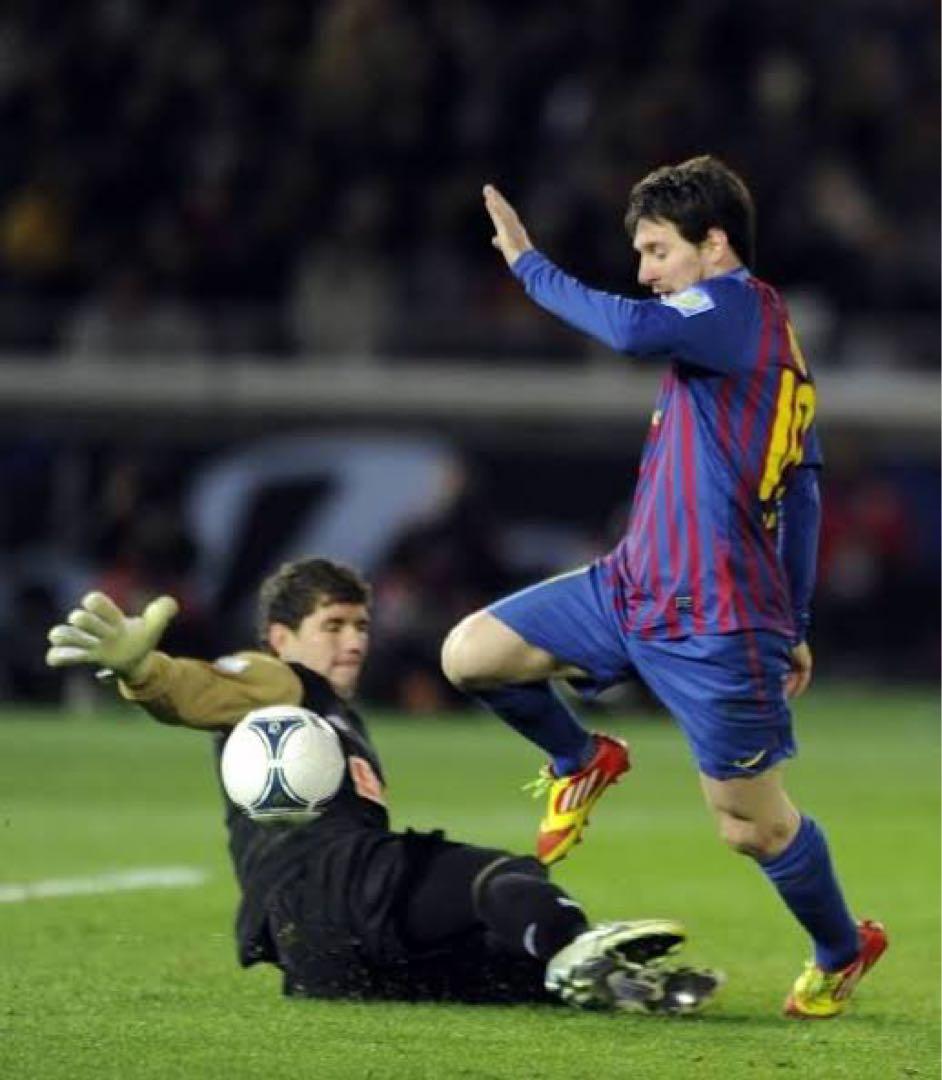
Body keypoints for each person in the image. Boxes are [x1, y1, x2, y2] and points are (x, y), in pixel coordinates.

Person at [440, 156, 887, 1019]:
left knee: (750, 827)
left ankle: (842, 949)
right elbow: (803, 489)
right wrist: (798, 617)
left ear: (714, 244)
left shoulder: (734, 308)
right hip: (630, 587)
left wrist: (528, 266)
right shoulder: (763, 343)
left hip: (719, 624)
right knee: (470, 655)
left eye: (656, 251)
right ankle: (580, 759)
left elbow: (629, 332)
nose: (644, 273)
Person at [45, 557, 720, 1012]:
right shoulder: (278, 681)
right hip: (337, 876)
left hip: (312, 952)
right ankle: (576, 943)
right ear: (280, 636)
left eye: (361, 625)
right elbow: (201, 690)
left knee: (500, 964)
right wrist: (145, 673)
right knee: (504, 879)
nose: (353, 641)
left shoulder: (331, 710)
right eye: (332, 626)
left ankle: (600, 981)